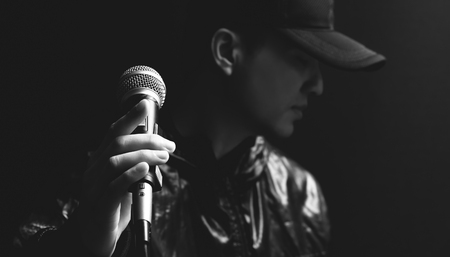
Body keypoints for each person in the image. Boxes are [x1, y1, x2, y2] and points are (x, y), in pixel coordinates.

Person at [12, 0, 386, 256]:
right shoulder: (111, 180)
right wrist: (84, 244)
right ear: (226, 51)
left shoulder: (301, 197)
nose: (317, 85)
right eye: (301, 59)